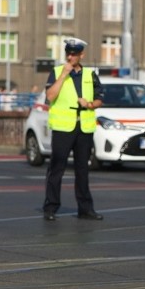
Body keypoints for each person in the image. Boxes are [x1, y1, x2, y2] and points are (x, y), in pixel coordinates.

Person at [42, 37, 104, 221]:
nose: (70, 57)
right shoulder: (56, 72)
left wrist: (90, 104)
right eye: (68, 53)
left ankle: (85, 209)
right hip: (63, 127)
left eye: (74, 54)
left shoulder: (90, 75)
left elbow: (100, 98)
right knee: (57, 168)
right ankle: (51, 207)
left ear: (81, 55)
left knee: (82, 169)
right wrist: (63, 76)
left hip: (84, 127)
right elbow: (50, 96)